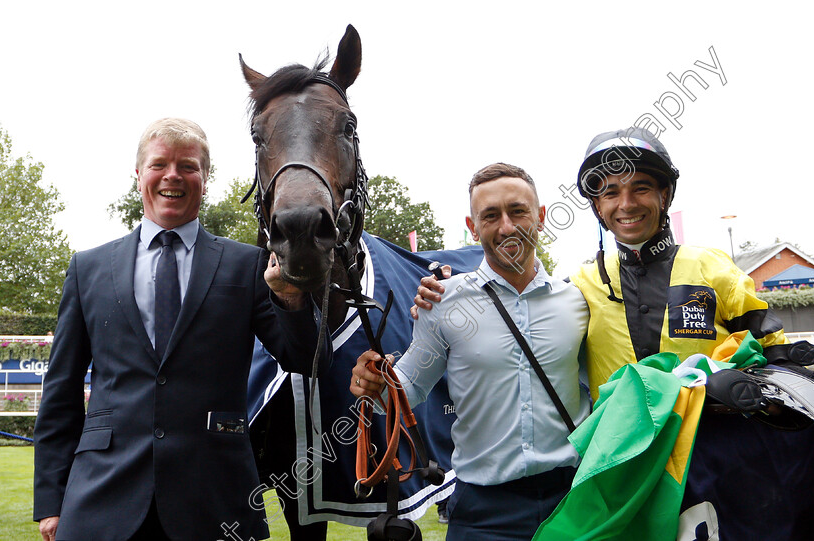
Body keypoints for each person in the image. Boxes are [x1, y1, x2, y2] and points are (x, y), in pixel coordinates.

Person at [415, 128, 814, 540]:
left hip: (720, 480)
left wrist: (745, 388)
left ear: (665, 195)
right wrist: (447, 289)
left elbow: (789, 370)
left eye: (640, 188)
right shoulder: (580, 287)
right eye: (609, 192)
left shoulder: (715, 271)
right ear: (597, 206)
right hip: (618, 487)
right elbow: (516, 311)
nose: (626, 203)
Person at [33, 118, 330, 541]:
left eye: (188, 166)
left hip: (215, 499)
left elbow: (308, 361)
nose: (173, 175)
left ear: (205, 180)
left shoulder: (249, 265)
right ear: (139, 176)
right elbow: (60, 392)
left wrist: (292, 298)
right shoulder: (88, 268)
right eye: (160, 164)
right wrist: (50, 499)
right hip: (100, 500)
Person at [352, 163, 590, 540]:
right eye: (491, 216)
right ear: (474, 225)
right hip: (483, 513)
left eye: (518, 211)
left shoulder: (578, 300)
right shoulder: (442, 302)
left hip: (573, 500)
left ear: (541, 217)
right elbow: (409, 387)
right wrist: (376, 383)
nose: (506, 227)